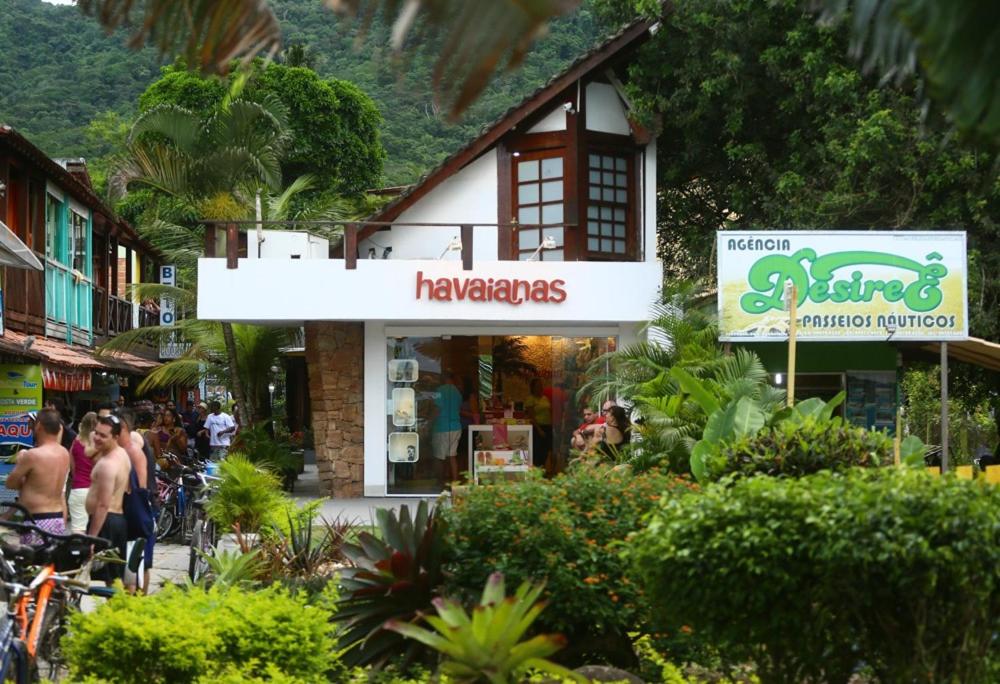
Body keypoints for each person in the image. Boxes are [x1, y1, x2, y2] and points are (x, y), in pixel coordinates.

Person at [6, 409, 70, 544]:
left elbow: (10, 483)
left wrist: (22, 469)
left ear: (39, 425)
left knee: (32, 563)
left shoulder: (32, 455)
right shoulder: (64, 453)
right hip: (57, 518)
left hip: (37, 520)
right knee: (50, 562)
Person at [87, 416, 131, 586]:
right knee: (114, 579)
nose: (97, 438)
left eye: (103, 436)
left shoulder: (108, 464)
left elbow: (103, 505)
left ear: (115, 438)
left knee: (110, 580)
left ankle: (116, 611)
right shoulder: (121, 454)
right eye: (96, 433)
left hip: (106, 523)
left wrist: (92, 539)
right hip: (116, 521)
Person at [117, 409, 155, 594]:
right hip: (133, 512)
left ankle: (138, 601)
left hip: (137, 512)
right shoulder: (125, 449)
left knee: (138, 564)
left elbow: (140, 491)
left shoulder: (133, 448)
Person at [68, 412, 98, 534]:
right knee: (97, 530)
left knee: (78, 529)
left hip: (78, 489)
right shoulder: (99, 444)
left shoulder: (76, 441)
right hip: (96, 491)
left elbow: (72, 466)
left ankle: (77, 552)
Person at [431, 371, 463, 484]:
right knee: (452, 456)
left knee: (439, 457)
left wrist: (430, 420)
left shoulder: (439, 390)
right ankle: (455, 481)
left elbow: (437, 409)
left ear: (443, 378)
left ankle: (439, 482)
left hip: (442, 427)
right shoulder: (457, 392)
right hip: (456, 426)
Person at [524, 378, 553, 470]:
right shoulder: (530, 399)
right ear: (533, 388)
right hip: (537, 427)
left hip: (547, 426)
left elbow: (549, 411)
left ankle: (543, 469)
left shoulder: (545, 398)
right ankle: (536, 471)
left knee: (546, 449)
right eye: (537, 386)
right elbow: (531, 417)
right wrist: (539, 430)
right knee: (537, 450)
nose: (539, 388)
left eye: (540, 386)